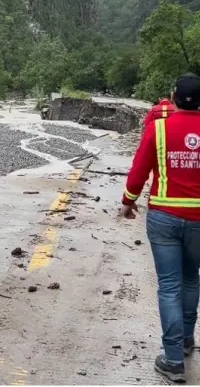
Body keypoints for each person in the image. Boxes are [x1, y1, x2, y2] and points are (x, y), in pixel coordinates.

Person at [121, 73, 200, 383]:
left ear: (173, 96)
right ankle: (186, 341)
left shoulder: (159, 128)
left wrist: (128, 200)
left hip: (164, 217)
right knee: (191, 279)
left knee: (169, 286)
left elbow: (139, 167)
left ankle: (172, 360)